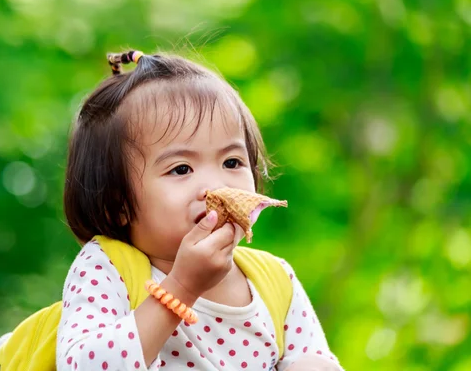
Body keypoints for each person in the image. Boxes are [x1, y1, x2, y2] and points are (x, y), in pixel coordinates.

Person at [56, 50, 343, 371]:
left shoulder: (274, 281)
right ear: (117, 204)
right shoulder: (109, 268)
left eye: (232, 162)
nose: (215, 186)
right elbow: (82, 365)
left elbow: (315, 359)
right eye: (181, 169)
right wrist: (182, 287)